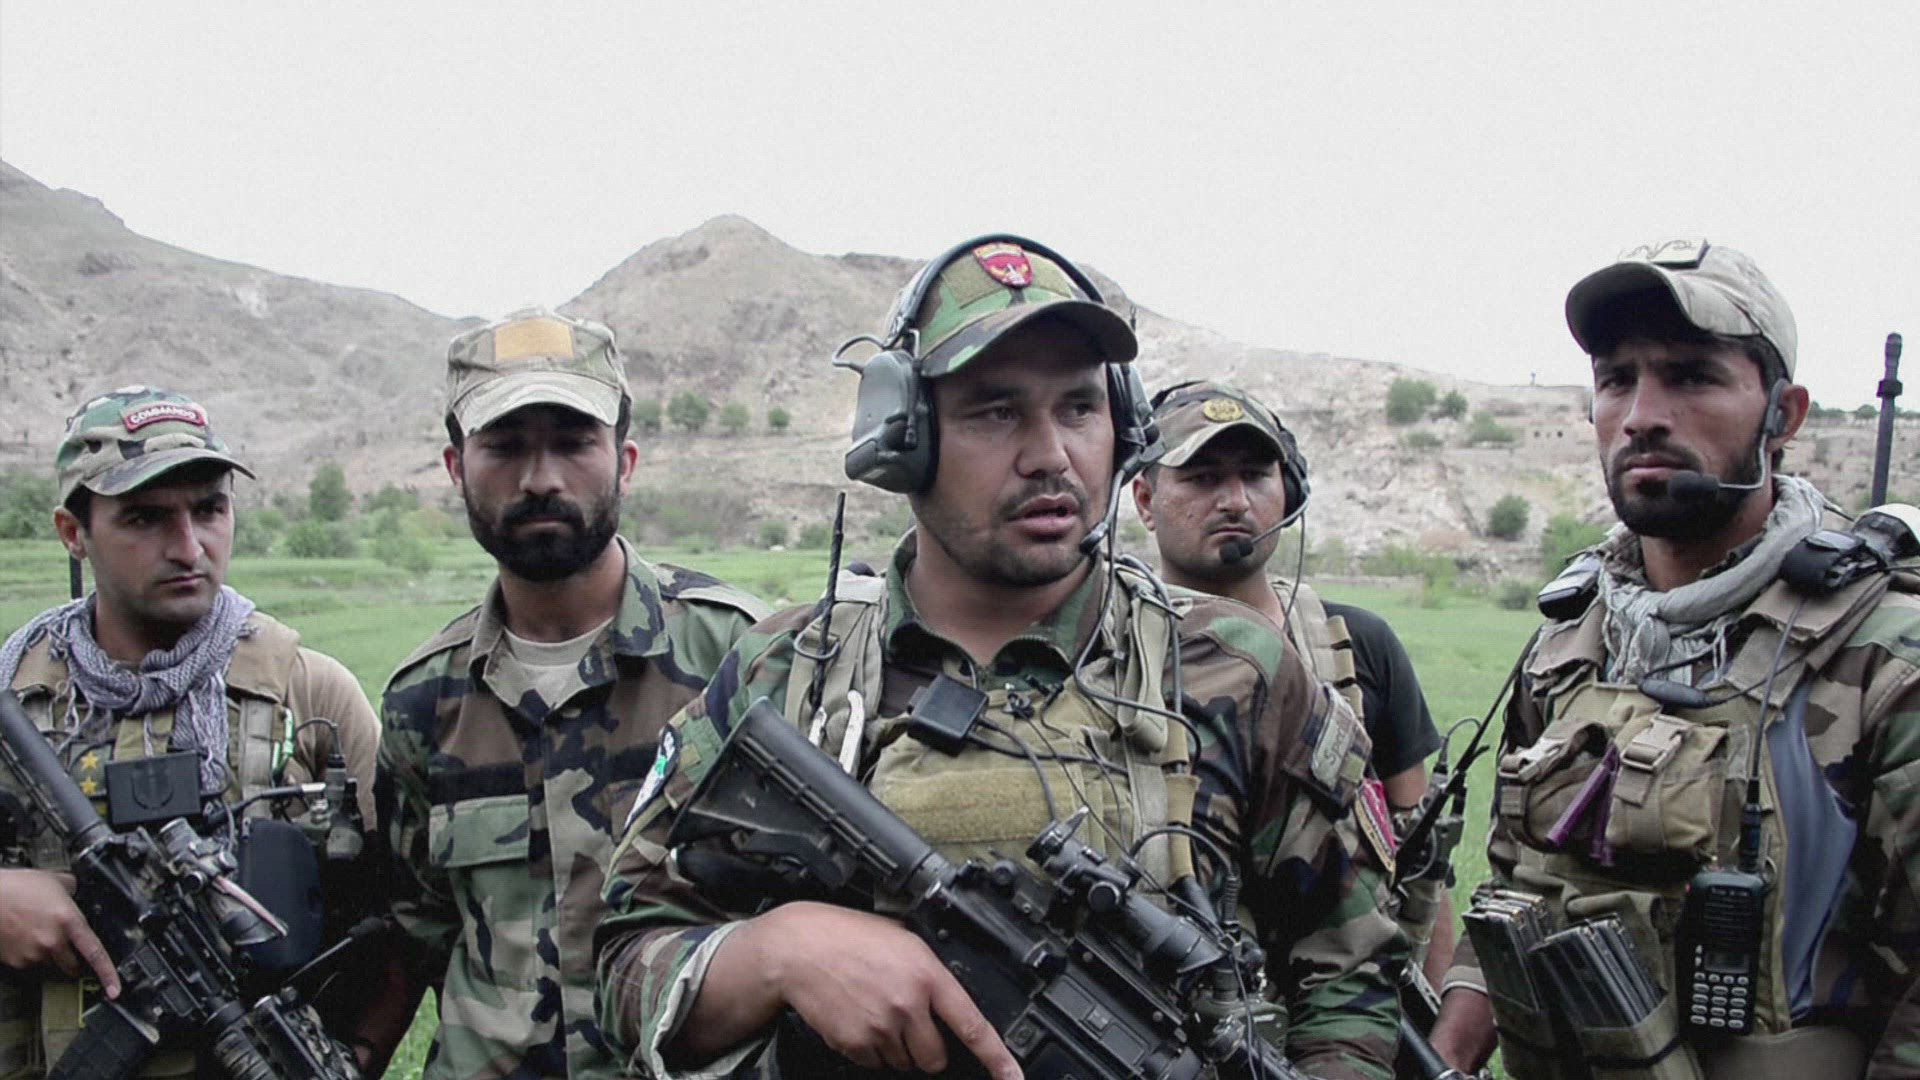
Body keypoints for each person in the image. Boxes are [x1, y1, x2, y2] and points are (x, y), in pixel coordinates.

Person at [594, 236, 1406, 1080]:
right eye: (996, 412)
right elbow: (623, 962)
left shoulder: (1236, 668)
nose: (1051, 454)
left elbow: (1350, 973)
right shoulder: (787, 670)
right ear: (905, 435)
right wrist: (777, 954)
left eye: (1079, 408)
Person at [1426, 239, 1920, 1079]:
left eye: (1692, 377)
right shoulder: (1570, 642)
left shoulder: (1883, 655)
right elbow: (1514, 888)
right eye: (1617, 379)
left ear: (1785, 415)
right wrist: (1447, 1053)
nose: (1643, 414)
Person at [364, 308, 766, 1079]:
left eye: (575, 443)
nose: (541, 479)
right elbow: (414, 931)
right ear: (455, 467)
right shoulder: (424, 701)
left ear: (625, 461)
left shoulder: (741, 659)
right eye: (504, 446)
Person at [0, 386, 380, 1079]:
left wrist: (362, 1054)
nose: (188, 546)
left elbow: (409, 914)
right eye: (145, 517)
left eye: (209, 509)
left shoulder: (310, 695)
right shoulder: (17, 698)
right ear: (73, 533)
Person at [1131, 380, 1456, 989]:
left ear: (1290, 492)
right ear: (1146, 501)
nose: (1234, 500)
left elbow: (1423, 871)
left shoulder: (1358, 646)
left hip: (1350, 1000)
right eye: (1203, 478)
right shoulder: (1115, 655)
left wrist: (1439, 1025)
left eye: (1256, 476)